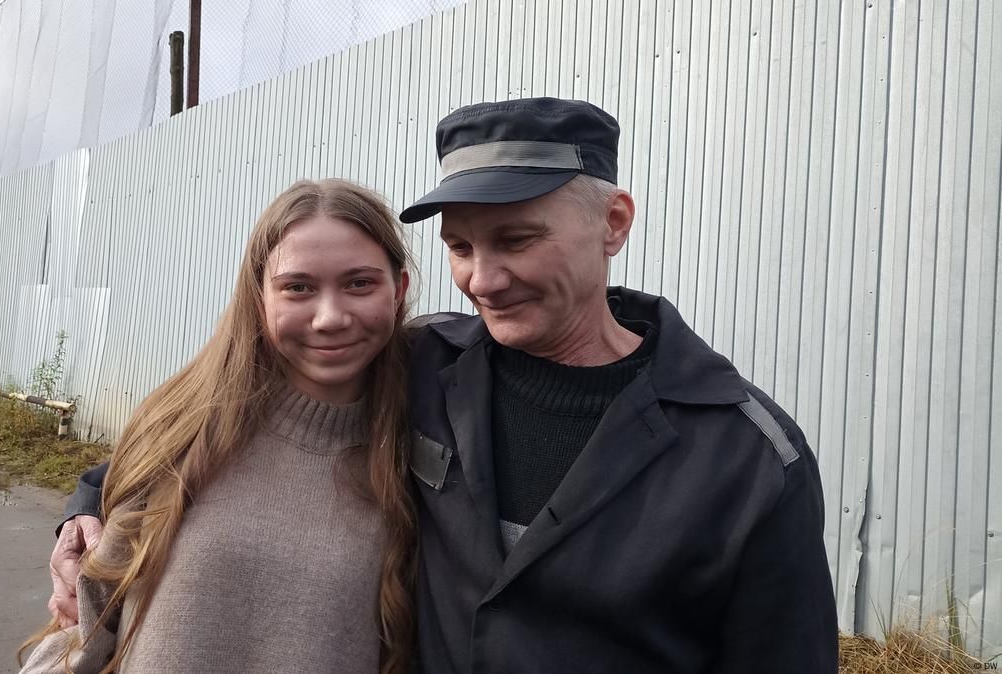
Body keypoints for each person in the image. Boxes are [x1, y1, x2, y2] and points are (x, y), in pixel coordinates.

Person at [53, 98, 838, 672]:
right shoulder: (424, 363)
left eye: (515, 240)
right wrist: (85, 509)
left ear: (613, 223)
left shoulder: (747, 457)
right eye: (459, 247)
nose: (482, 280)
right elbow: (225, 426)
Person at [19, 179, 416, 673]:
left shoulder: (425, 446)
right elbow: (88, 625)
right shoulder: (182, 430)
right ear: (258, 296)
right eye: (298, 287)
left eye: (360, 283)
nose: (330, 317)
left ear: (398, 291)